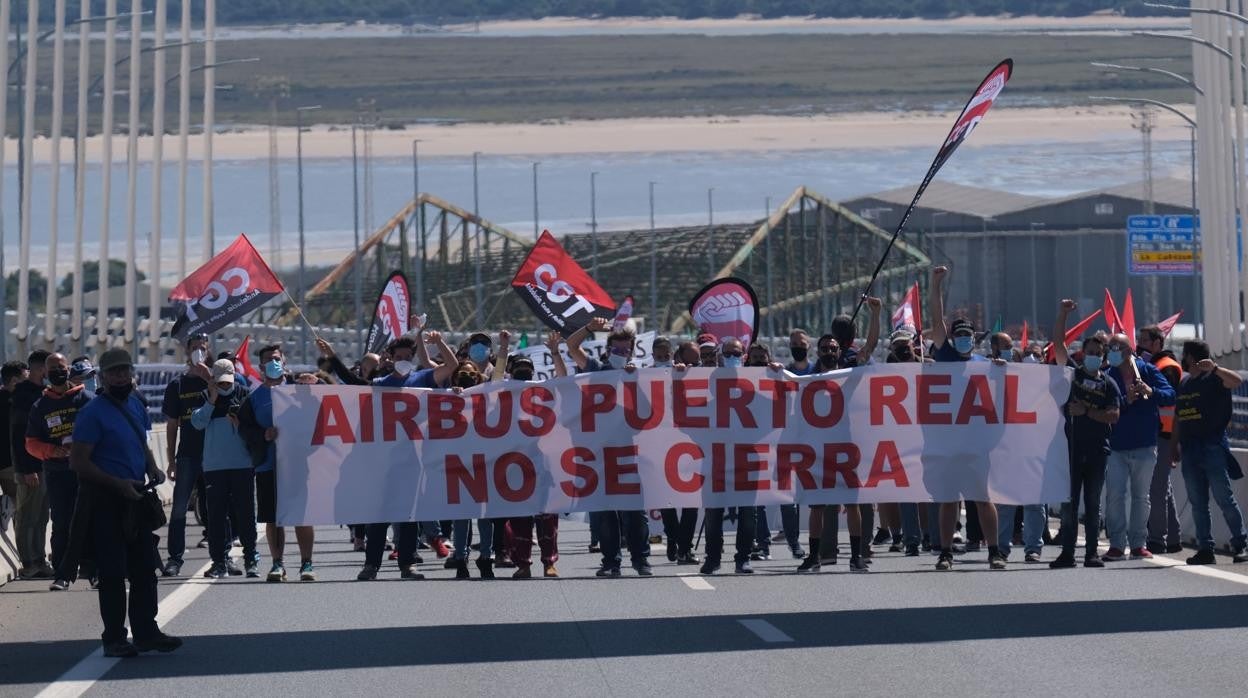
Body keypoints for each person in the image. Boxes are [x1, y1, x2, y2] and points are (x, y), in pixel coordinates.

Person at [70, 348, 182, 658]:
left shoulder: (135, 404)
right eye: (113, 372)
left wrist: (153, 467)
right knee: (112, 573)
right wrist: (117, 483)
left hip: (137, 499)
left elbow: (141, 443)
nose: (120, 376)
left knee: (145, 569)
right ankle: (115, 638)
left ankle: (146, 633)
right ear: (102, 377)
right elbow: (79, 462)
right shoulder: (92, 413)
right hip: (106, 501)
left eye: (124, 371)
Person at [356, 332, 458, 582]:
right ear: (390, 358)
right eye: (399, 356)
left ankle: (408, 564)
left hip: (413, 460)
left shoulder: (422, 378)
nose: (403, 359)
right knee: (379, 516)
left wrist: (438, 343)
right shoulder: (379, 384)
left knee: (409, 515)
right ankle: (371, 565)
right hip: (383, 461)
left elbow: (452, 366)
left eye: (407, 356)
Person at [928, 266, 1004, 571]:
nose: (961, 338)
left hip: (976, 445)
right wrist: (935, 285)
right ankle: (945, 552)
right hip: (948, 444)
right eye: (957, 334)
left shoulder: (983, 364)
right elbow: (936, 318)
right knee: (949, 500)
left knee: (983, 498)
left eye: (966, 335)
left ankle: (995, 551)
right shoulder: (943, 357)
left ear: (974, 338)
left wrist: (1002, 372)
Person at [569, 318, 653, 577]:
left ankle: (641, 560)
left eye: (625, 350)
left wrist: (633, 382)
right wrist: (589, 328)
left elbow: (646, 414)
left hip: (625, 451)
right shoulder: (595, 368)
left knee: (634, 512)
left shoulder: (638, 375)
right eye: (616, 350)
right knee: (605, 511)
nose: (620, 354)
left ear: (632, 350)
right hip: (597, 453)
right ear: (608, 350)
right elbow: (572, 347)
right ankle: (611, 562)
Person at [1050, 300, 1122, 569]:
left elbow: (1114, 415)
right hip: (1070, 450)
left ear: (1103, 357)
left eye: (1097, 353)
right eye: (1088, 351)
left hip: (1097, 451)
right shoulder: (1071, 375)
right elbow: (1058, 345)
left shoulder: (1109, 384)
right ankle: (1067, 552)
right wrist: (1063, 315)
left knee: (1093, 505)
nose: (1092, 356)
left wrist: (1086, 412)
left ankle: (1091, 553)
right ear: (1083, 353)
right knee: (1068, 505)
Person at [239, 344, 318, 582]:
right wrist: (262, 435)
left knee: (301, 515)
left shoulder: (300, 388)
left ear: (283, 361)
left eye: (276, 358)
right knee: (273, 518)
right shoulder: (254, 398)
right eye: (268, 360)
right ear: (261, 366)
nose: (273, 363)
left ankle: (307, 563)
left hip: (297, 464)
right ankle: (277, 564)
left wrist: (316, 384)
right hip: (267, 465)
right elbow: (244, 429)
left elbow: (321, 409)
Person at [1171, 341, 1247, 565]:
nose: (1182, 360)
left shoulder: (1214, 378)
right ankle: (1205, 549)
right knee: (1198, 502)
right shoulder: (1185, 383)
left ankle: (1241, 544)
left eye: (1184, 356)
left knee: (1224, 498)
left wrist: (1214, 368)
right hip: (1190, 449)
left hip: (1212, 446)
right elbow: (1177, 417)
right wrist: (1174, 445)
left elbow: (1237, 381)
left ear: (1191, 358)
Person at [1102, 333, 1175, 562]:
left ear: (1127, 350)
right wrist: (1127, 398)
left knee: (1141, 497)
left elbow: (1170, 395)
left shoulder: (1148, 370)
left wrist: (1150, 392)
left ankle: (1138, 543)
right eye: (1110, 347)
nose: (1112, 351)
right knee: (1115, 495)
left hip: (1145, 444)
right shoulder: (1107, 374)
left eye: (1116, 347)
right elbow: (1102, 404)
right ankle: (1116, 544)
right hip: (1116, 445)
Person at [25, 353, 94, 591]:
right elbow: (30, 442)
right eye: (52, 368)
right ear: (46, 372)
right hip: (57, 473)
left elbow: (103, 431)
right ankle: (62, 573)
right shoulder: (40, 406)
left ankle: (93, 570)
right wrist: (50, 451)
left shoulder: (86, 399)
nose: (57, 371)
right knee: (62, 522)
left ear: (69, 369)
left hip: (87, 471)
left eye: (61, 367)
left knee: (90, 519)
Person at [191, 359, 260, 579]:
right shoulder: (204, 397)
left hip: (242, 464)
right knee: (216, 516)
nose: (224, 386)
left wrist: (240, 422)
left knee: (246, 514)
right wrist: (211, 400)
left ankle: (251, 559)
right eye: (219, 382)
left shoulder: (245, 394)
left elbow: (257, 427)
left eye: (226, 382)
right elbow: (197, 423)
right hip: (214, 467)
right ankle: (219, 561)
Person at [508, 331, 566, 578]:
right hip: (514, 465)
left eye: (527, 369)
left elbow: (563, 379)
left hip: (543, 465)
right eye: (519, 369)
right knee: (520, 517)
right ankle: (523, 564)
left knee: (547, 518)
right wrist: (502, 351)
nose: (524, 374)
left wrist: (555, 352)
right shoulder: (503, 393)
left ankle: (549, 562)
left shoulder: (544, 391)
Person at [161, 333, 213, 577]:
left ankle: (221, 556)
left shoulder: (215, 379)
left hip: (215, 454)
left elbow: (228, 399)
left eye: (202, 348)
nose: (198, 352)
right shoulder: (177, 385)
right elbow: (172, 426)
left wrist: (209, 377)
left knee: (216, 506)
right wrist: (171, 460)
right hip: (189, 455)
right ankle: (174, 558)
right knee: (180, 508)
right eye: (194, 348)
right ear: (187, 351)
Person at [1136, 324, 1185, 554]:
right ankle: (1173, 539)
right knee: (1163, 489)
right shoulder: (1154, 365)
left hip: (1165, 434)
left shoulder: (1167, 367)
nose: (1140, 344)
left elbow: (1167, 399)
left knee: (1156, 489)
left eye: (1145, 340)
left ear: (1157, 343)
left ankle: (1157, 539)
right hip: (1158, 432)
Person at [11, 349, 52, 580]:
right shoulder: (23, 395)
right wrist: (27, 469)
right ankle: (28, 563)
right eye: (48, 367)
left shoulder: (43, 393)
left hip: (44, 463)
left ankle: (39, 560)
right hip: (29, 467)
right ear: (39, 368)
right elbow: (18, 436)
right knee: (27, 517)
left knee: (41, 516)